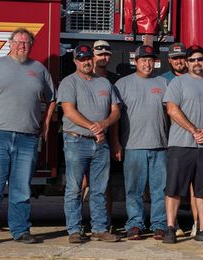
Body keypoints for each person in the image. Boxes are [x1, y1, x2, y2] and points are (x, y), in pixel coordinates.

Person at [0, 28, 55, 246]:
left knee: (21, 188)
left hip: (27, 138)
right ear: (10, 43)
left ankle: (20, 231)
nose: (22, 46)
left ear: (31, 45)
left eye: (26, 43)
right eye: (18, 42)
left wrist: (46, 124)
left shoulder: (39, 69)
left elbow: (52, 98)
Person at [162, 46, 203, 244]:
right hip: (181, 145)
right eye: (192, 60)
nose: (196, 63)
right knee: (173, 188)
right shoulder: (177, 83)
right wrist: (193, 130)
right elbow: (172, 109)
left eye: (200, 59)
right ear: (187, 62)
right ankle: (170, 228)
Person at [59, 44, 122, 243]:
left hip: (100, 144)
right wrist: (93, 127)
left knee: (100, 188)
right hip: (76, 141)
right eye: (82, 59)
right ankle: (74, 231)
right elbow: (69, 111)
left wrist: (103, 124)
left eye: (88, 59)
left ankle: (99, 228)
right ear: (75, 61)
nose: (86, 62)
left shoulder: (104, 84)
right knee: (74, 188)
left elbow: (116, 111)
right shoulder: (69, 83)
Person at [111, 45, 170, 241]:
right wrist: (116, 142)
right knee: (134, 189)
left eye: (150, 59)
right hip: (133, 145)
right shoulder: (122, 84)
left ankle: (159, 225)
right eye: (143, 59)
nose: (147, 63)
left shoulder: (163, 83)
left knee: (159, 189)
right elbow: (115, 117)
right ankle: (135, 224)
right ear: (135, 61)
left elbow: (172, 114)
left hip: (160, 145)